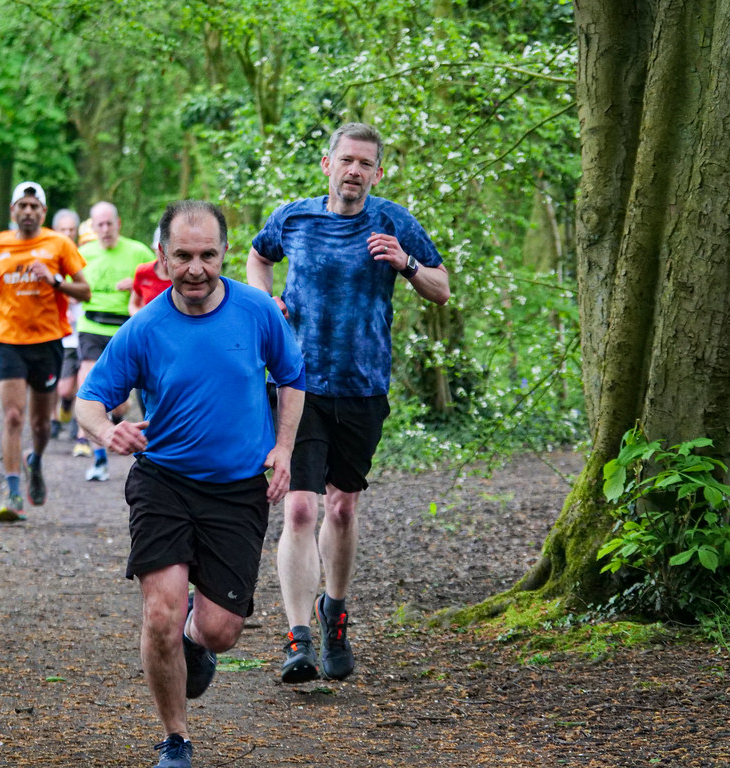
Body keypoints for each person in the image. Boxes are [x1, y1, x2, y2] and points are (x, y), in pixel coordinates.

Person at [76, 200, 305, 768]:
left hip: (237, 490)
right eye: (183, 256)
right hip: (165, 483)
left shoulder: (256, 312)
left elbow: (293, 377)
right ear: (162, 256)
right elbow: (88, 400)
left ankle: (196, 642)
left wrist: (284, 448)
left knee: (222, 631)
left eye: (207, 255)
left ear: (225, 253)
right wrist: (109, 431)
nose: (196, 268)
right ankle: (175, 739)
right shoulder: (146, 327)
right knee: (160, 615)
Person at [246, 122, 451, 683]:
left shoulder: (392, 222)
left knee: (342, 507)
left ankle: (334, 611)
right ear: (327, 164)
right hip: (298, 385)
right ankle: (298, 637)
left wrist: (406, 264)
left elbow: (441, 285)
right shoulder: (295, 217)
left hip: (363, 387)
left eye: (366, 163)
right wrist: (268, 306)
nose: (355, 170)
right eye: (347, 160)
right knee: (300, 507)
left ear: (377, 173)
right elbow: (257, 257)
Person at [0, 182, 91, 523]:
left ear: (43, 213)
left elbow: (85, 291)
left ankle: (36, 460)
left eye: (34, 207)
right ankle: (14, 494)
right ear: (13, 211)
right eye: (22, 206)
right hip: (9, 339)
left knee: (41, 425)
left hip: (47, 341)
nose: (27, 211)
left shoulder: (59, 244)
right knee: (13, 416)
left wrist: (55, 280)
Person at [73, 201, 154, 481]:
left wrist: (136, 283)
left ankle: (116, 422)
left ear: (118, 224)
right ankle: (98, 460)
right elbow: (71, 290)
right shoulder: (83, 254)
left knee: (119, 405)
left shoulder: (138, 252)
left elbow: (157, 281)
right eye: (100, 225)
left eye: (110, 223)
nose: (105, 229)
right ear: (92, 228)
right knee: (90, 389)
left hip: (125, 327)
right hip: (91, 325)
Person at [48, 208, 83, 440]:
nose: (68, 234)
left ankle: (78, 422)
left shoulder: (84, 258)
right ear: (54, 231)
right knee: (59, 383)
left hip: (82, 329)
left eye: (72, 230)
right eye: (63, 230)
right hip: (53, 329)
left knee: (80, 378)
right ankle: (54, 417)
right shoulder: (47, 259)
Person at [128, 226, 172, 316]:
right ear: (154, 249)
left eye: (168, 251)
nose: (164, 255)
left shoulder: (183, 275)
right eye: (161, 250)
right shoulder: (143, 272)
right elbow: (133, 305)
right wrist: (142, 320)